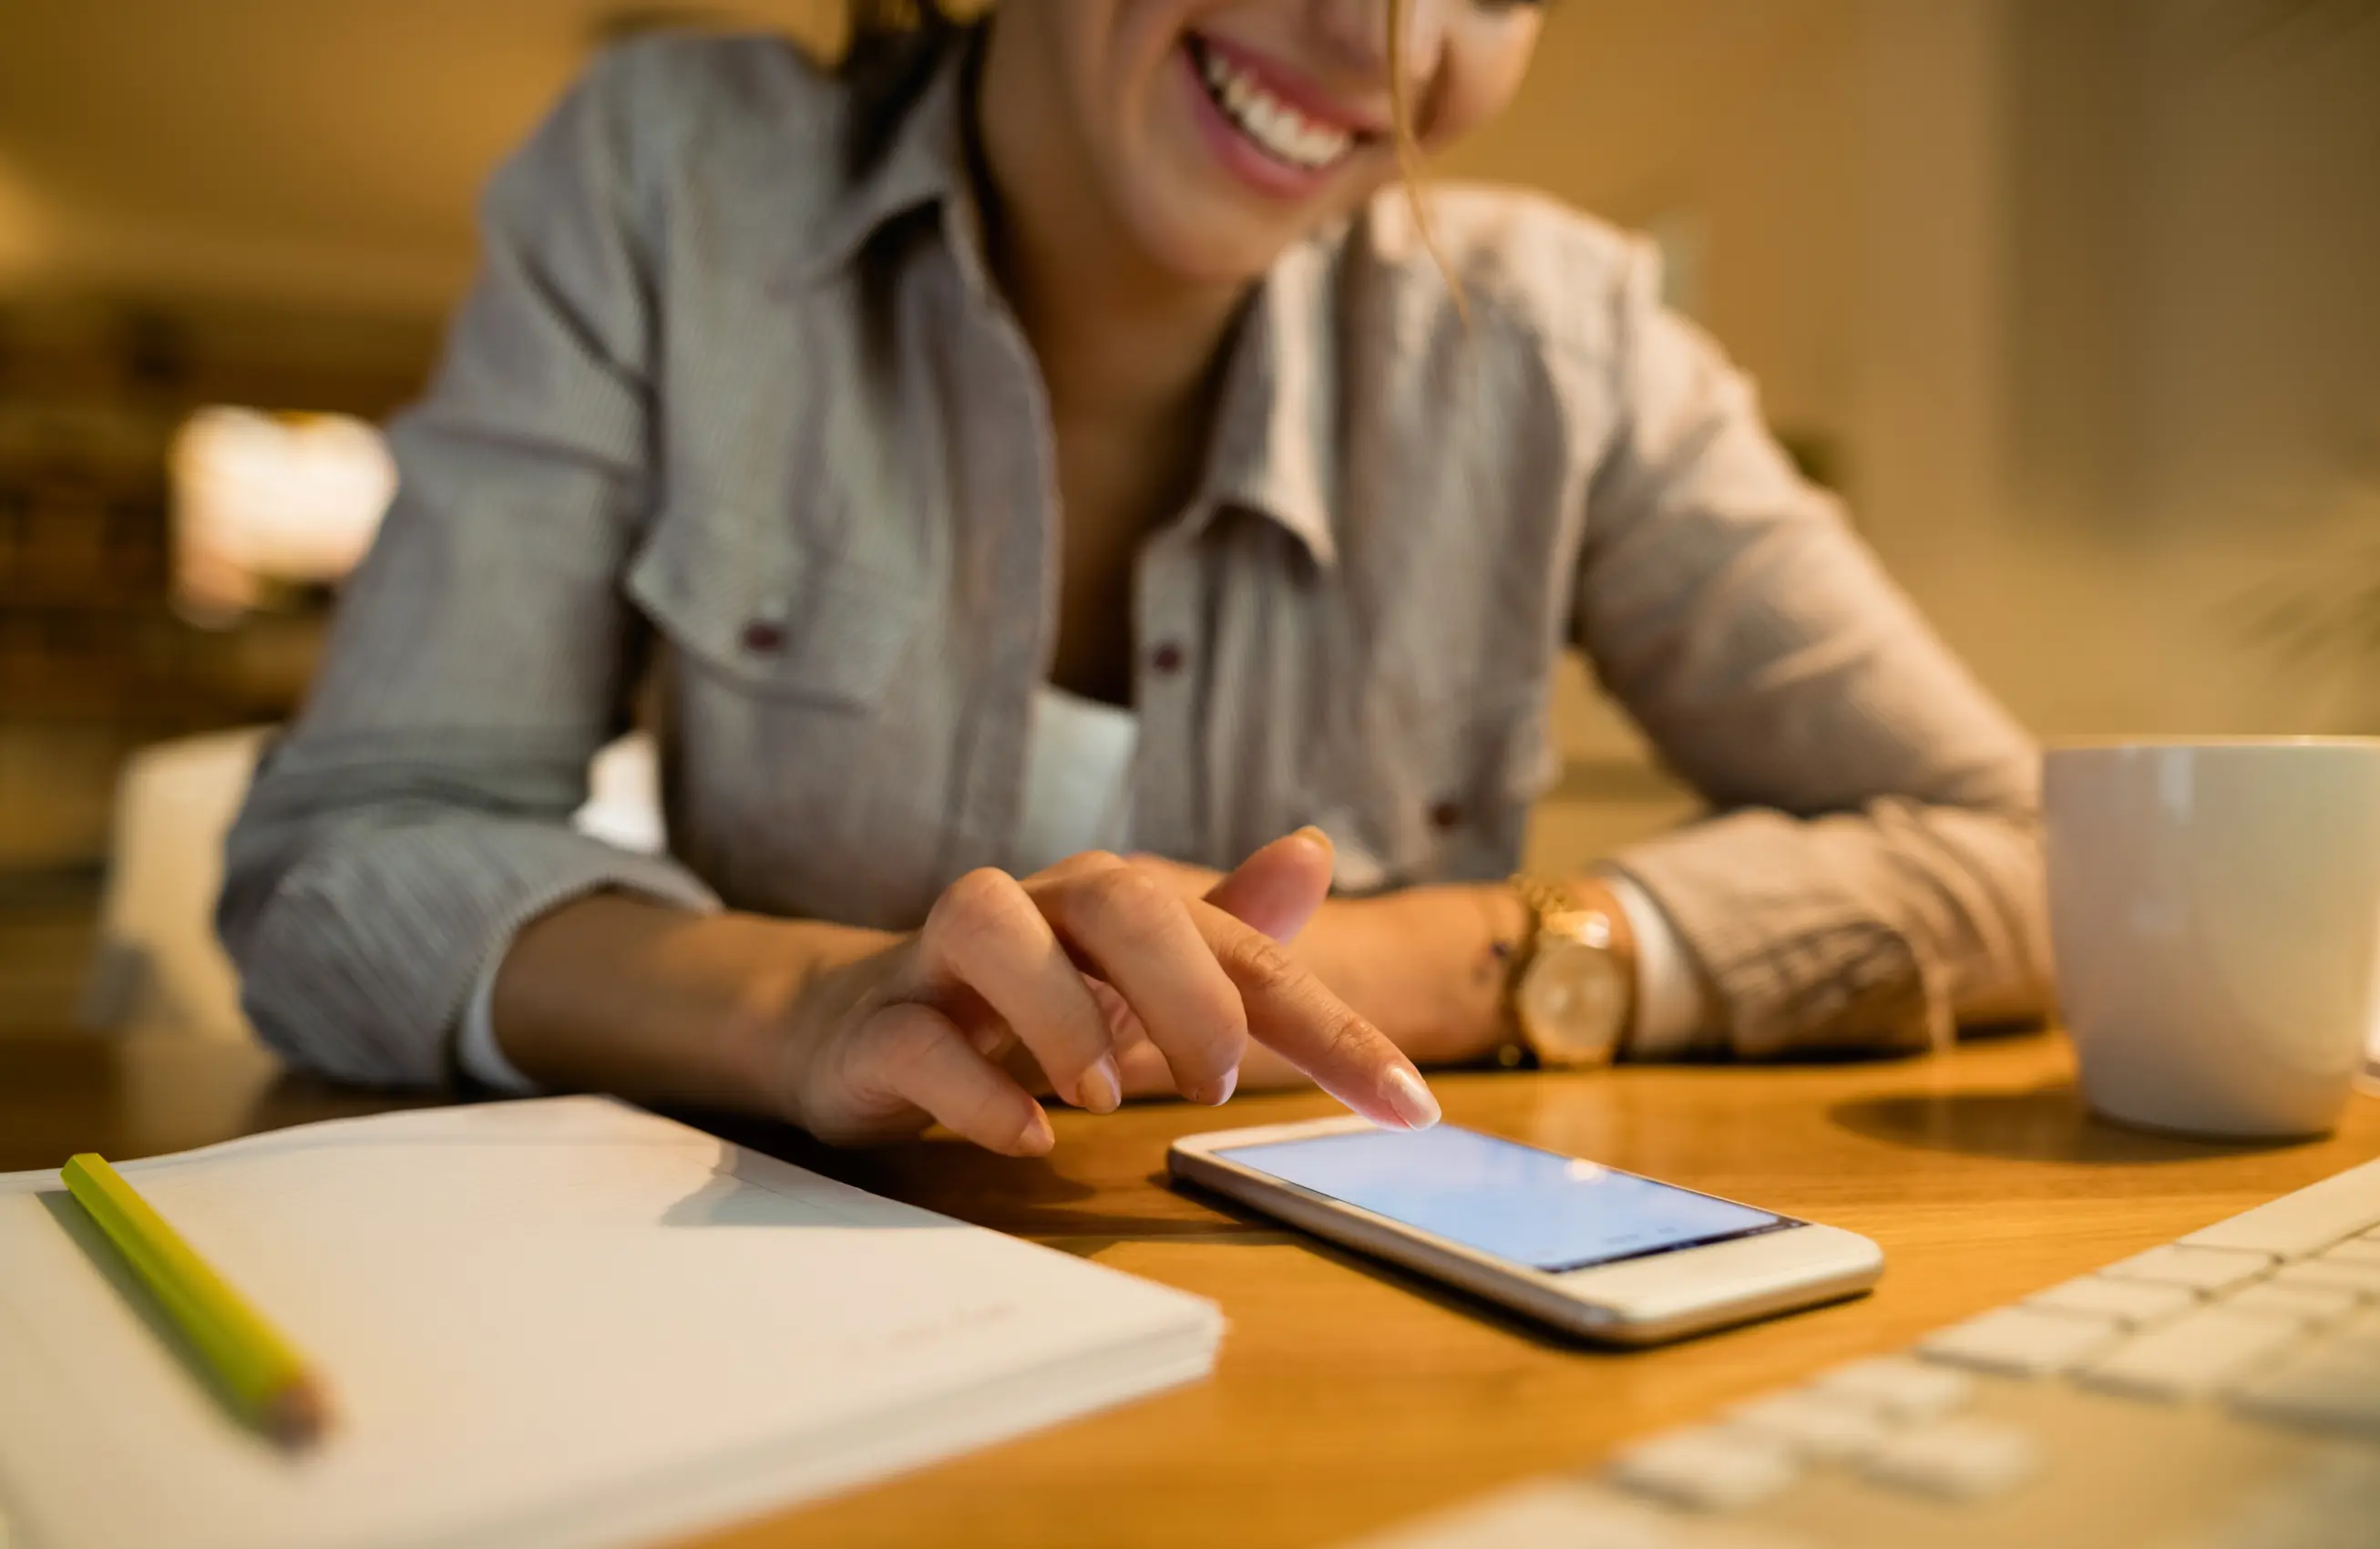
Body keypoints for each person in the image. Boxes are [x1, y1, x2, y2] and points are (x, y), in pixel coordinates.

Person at [220, 0, 2048, 1158]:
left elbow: (2026, 853)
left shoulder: (1561, 346)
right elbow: (344, 861)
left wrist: (1431, 965)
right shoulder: (665, 191)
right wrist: (806, 1005)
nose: (1379, 35)